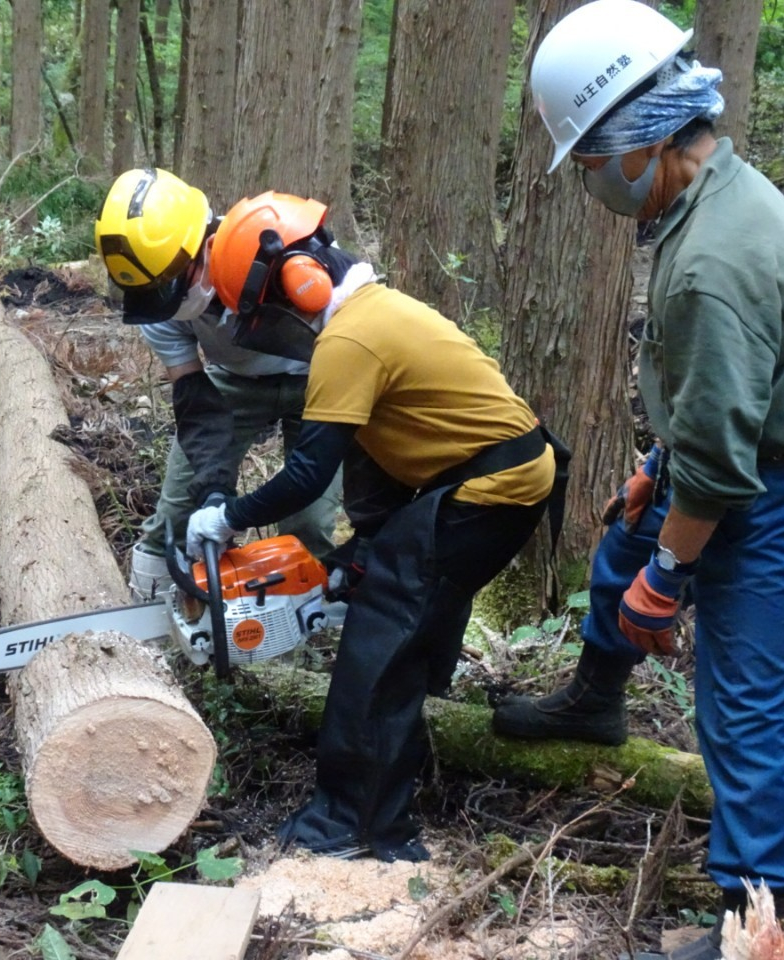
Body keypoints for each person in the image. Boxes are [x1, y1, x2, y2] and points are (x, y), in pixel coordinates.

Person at [489, 2, 784, 957]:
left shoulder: (711, 265)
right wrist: (658, 470)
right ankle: (594, 700)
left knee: (741, 704)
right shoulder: (715, 194)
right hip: (740, 455)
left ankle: (763, 910)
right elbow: (722, 398)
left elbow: (725, 467)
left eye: (593, 161)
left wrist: (670, 575)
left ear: (644, 141)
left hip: (773, 489)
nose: (592, 181)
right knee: (622, 542)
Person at [185, 191, 559, 862]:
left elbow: (308, 474)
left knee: (382, 637)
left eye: (261, 312)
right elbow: (382, 457)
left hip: (488, 488)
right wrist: (357, 556)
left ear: (298, 282)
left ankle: (355, 824)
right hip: (483, 477)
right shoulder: (373, 312)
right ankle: (416, 728)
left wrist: (227, 515)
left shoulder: (350, 339)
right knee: (398, 593)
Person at [94, 168, 342, 600]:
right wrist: (213, 490)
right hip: (235, 380)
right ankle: (149, 604)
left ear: (203, 243)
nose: (165, 298)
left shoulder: (289, 247)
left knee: (309, 518)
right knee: (178, 511)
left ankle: (307, 617)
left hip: (322, 377)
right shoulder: (158, 309)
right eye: (153, 289)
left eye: (171, 282)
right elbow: (193, 396)